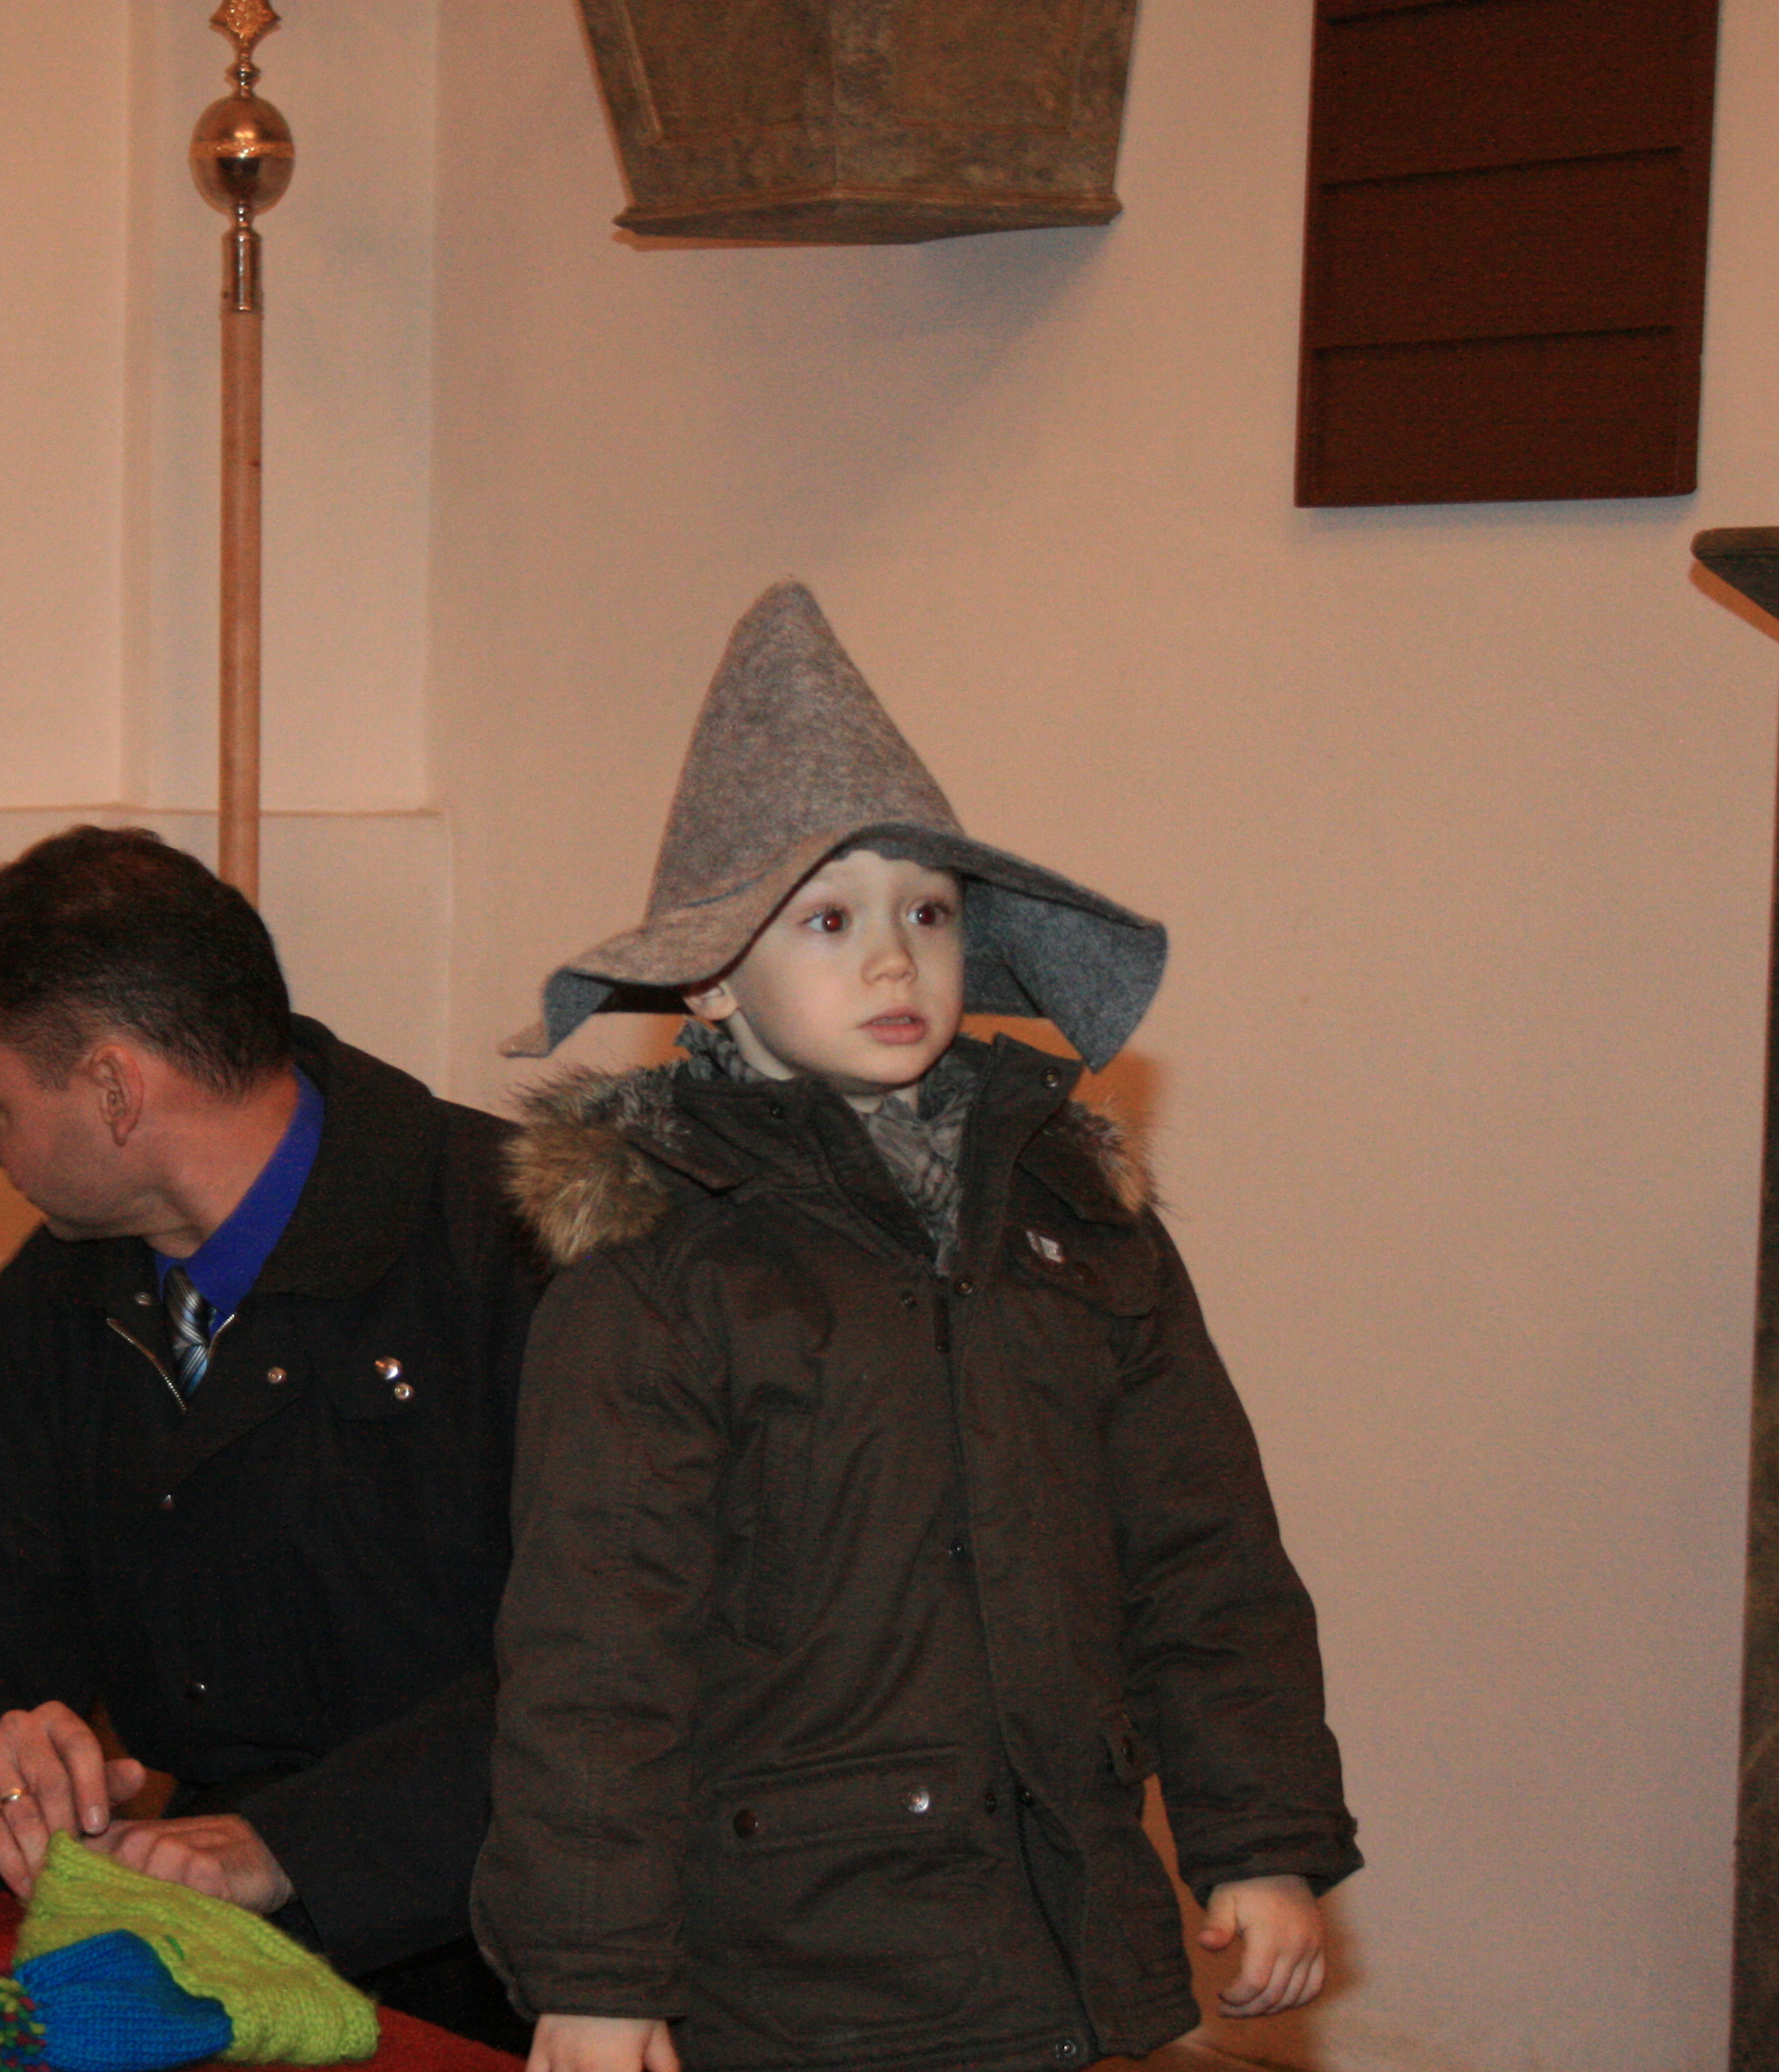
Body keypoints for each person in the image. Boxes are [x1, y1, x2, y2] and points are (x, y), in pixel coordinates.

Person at [472, 582, 1359, 2072]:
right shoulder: (659, 1268)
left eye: (929, 914)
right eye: (829, 919)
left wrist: (1256, 1833)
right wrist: (597, 1971)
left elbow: (1205, 1554)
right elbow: (597, 1648)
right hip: (792, 1963)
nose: (894, 961)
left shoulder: (1075, 1224)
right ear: (711, 975)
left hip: (1053, 1931)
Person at [0, 827, 545, 2045]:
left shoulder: (525, 1255)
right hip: (205, 1954)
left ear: (115, 1088)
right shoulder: (70, 1289)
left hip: (511, 1975)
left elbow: (631, 1680)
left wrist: (292, 1846)